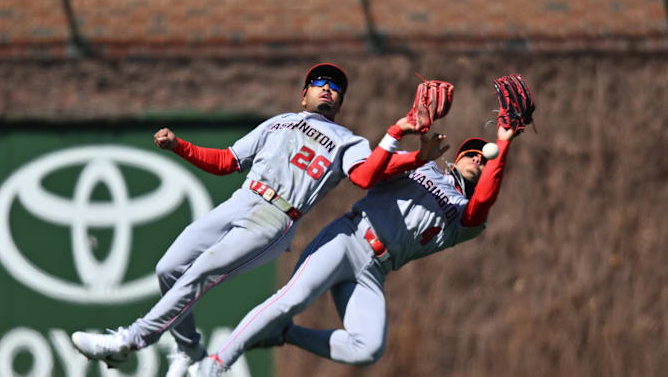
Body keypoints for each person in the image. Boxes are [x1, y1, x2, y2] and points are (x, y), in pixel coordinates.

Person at [70, 63, 446, 377]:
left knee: (201, 272)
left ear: (341, 102)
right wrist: (179, 146)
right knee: (168, 268)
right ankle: (188, 349)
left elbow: (366, 176)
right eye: (319, 83)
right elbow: (226, 162)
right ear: (304, 95)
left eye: (335, 87)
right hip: (242, 199)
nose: (327, 89)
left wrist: (409, 149)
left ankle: (129, 341)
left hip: (276, 215)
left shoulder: (348, 140)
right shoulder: (279, 122)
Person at [196, 122, 522, 376]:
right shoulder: (424, 169)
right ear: (457, 157)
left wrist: (504, 142)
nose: (477, 159)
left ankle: (286, 335)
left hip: (375, 270)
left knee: (368, 348)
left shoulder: (468, 218)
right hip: (349, 238)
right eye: (471, 154)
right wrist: (419, 155)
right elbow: (372, 173)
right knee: (292, 299)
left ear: (490, 172)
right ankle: (217, 362)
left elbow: (482, 203)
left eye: (483, 159)